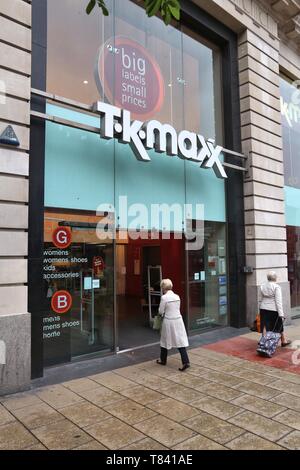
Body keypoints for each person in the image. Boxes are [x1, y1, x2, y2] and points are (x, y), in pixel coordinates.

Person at [156, 279, 190, 371]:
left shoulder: (164, 298)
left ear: (163, 287)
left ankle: (163, 360)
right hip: (178, 320)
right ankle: (186, 361)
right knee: (180, 341)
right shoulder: (177, 296)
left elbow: (160, 311)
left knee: (164, 340)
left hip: (168, 321)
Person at [260, 271, 291, 347]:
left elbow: (260, 298)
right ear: (275, 278)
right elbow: (278, 301)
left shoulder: (262, 286)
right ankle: (283, 341)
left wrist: (261, 306)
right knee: (279, 325)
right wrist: (281, 314)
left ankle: (263, 342)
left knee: (265, 325)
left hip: (263, 308)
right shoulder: (276, 287)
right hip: (273, 309)